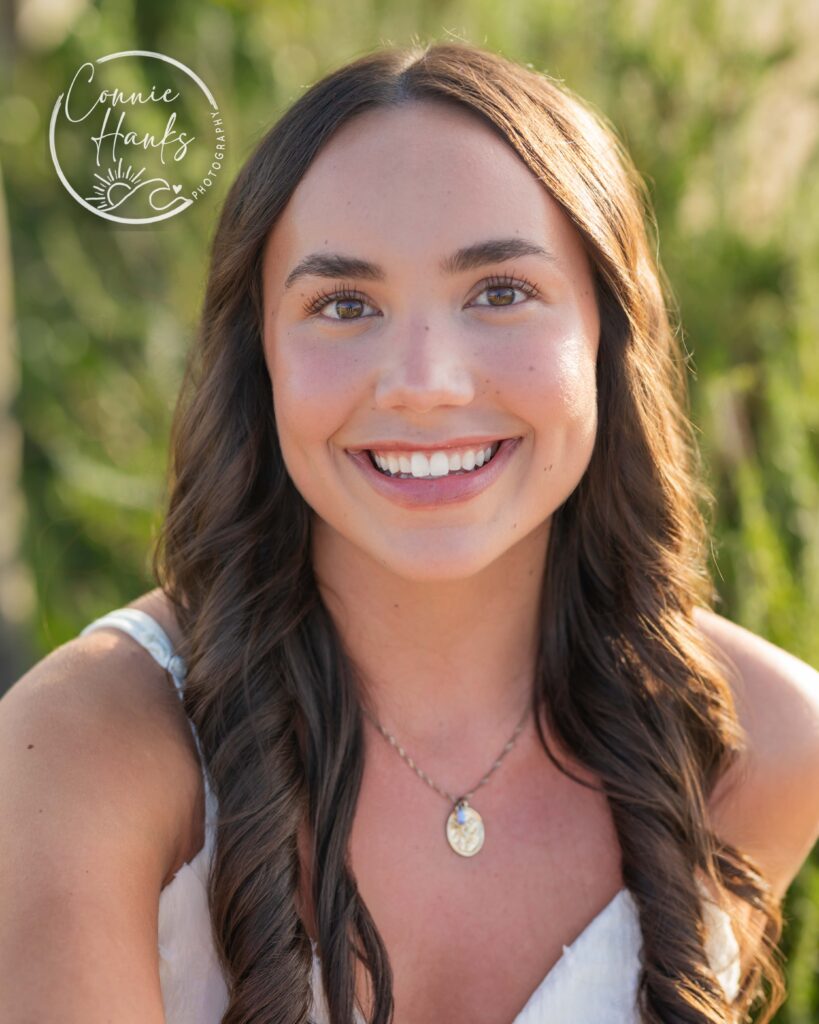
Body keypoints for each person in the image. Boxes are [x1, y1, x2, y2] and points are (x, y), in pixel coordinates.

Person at [2, 40, 818, 1024]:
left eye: (500, 292)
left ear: (609, 332)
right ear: (259, 358)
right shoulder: (83, 753)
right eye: (343, 304)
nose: (426, 382)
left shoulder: (764, 745)